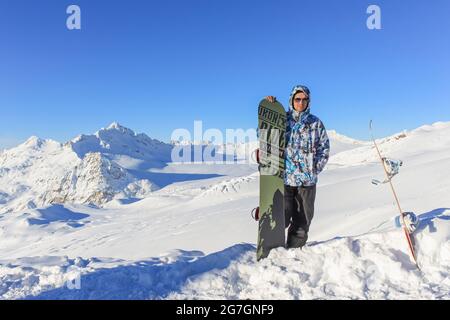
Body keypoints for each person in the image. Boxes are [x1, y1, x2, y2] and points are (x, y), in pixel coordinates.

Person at [266, 85, 330, 249]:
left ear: (309, 101)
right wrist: (271, 109)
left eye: (304, 99)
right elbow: (265, 134)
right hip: (285, 180)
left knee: (303, 221)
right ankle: (273, 251)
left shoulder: (315, 123)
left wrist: (314, 168)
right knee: (282, 216)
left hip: (307, 182)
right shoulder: (282, 119)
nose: (301, 102)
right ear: (291, 100)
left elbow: (324, 148)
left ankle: (294, 252)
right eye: (297, 99)